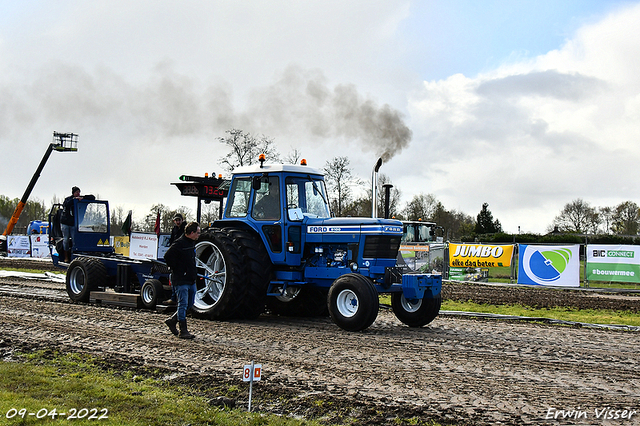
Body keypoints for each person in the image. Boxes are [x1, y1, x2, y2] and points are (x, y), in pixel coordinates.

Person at [163, 221, 200, 339]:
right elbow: (167, 257)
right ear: (192, 233)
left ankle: (172, 320)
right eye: (198, 233)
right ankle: (183, 330)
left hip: (190, 279)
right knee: (183, 304)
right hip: (181, 279)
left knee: (190, 303)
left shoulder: (192, 243)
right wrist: (178, 268)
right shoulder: (179, 243)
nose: (199, 235)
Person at [163, 213, 187, 305]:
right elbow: (172, 242)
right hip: (176, 255)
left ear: (182, 220)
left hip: (183, 255)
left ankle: (179, 299)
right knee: (172, 277)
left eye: (179, 220)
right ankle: (174, 298)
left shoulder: (185, 229)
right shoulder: (175, 229)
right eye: (176, 220)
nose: (177, 222)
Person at [60, 186, 84, 262]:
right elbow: (66, 204)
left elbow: (92, 197)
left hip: (74, 223)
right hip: (66, 223)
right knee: (66, 239)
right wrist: (74, 199)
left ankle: (74, 256)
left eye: (79, 192)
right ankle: (66, 256)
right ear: (73, 193)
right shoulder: (68, 199)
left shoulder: (80, 198)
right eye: (77, 192)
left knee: (75, 240)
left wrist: (83, 198)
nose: (78, 194)